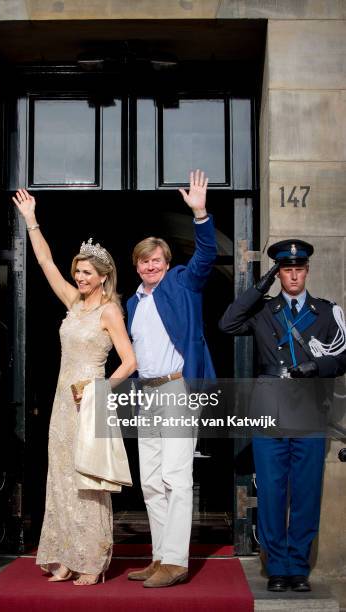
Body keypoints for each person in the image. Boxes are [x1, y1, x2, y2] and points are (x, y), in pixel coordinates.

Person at [12, 188, 137, 586]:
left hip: (91, 401)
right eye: (78, 271)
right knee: (61, 478)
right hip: (62, 404)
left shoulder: (110, 310)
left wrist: (98, 387)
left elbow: (130, 362)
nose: (79, 277)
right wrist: (32, 220)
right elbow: (46, 262)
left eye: (87, 272)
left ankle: (91, 561)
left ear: (103, 276)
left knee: (87, 480)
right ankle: (64, 556)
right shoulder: (72, 303)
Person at [219, 240, 346, 592]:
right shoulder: (263, 310)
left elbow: (343, 357)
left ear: (307, 271)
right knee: (273, 493)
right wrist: (261, 284)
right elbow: (227, 323)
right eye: (285, 269)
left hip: (308, 413)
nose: (292, 274)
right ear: (279, 273)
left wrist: (316, 365)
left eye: (298, 269)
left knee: (305, 494)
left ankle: (298, 568)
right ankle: (276, 567)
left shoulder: (325, 312)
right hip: (269, 412)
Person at [126, 169, 217, 588]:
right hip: (147, 394)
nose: (150, 265)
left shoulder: (183, 282)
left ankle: (177, 561)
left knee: (177, 477)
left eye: (156, 260)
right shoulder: (132, 302)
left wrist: (199, 214)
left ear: (166, 262)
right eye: (144, 261)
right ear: (137, 266)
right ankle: (160, 555)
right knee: (150, 479)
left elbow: (205, 257)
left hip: (179, 388)